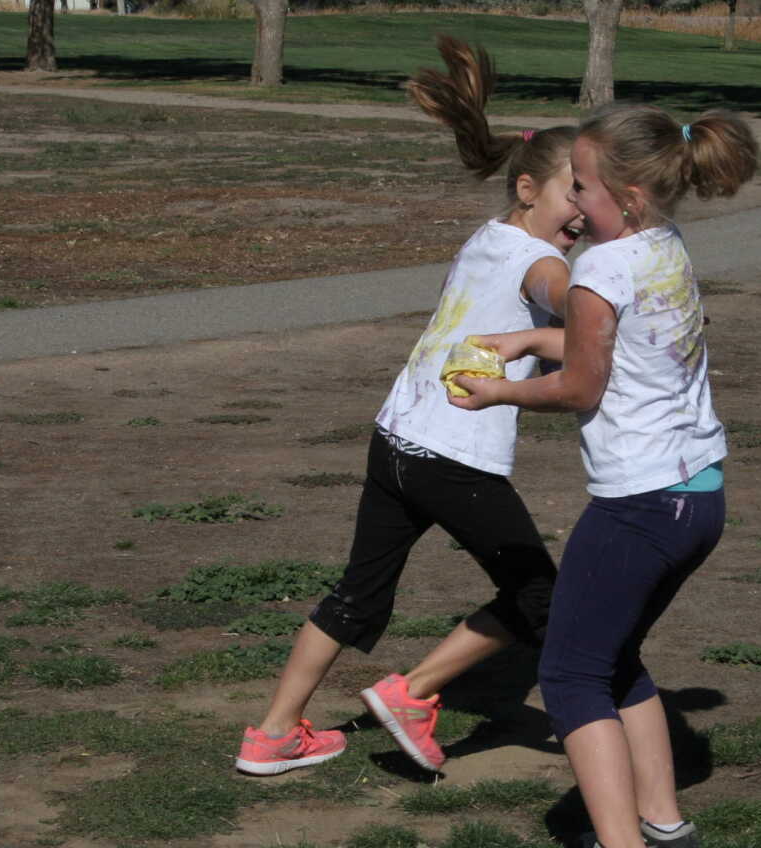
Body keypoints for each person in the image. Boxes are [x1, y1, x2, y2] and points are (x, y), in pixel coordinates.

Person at [235, 37, 582, 777]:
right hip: (453, 455)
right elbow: (560, 299)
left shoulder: (490, 237)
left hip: (396, 439)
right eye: (573, 192)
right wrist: (623, 314)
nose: (584, 208)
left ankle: (273, 734)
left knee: (359, 595)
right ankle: (413, 694)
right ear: (528, 190)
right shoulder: (544, 263)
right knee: (541, 594)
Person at [450, 105, 759, 848]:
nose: (576, 201)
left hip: (638, 505)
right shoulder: (663, 248)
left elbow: (583, 383)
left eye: (583, 185)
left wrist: (499, 392)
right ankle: (663, 826)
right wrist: (529, 341)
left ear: (629, 194)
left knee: (569, 672)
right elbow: (622, 348)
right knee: (612, 653)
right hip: (698, 495)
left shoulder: (597, 271)